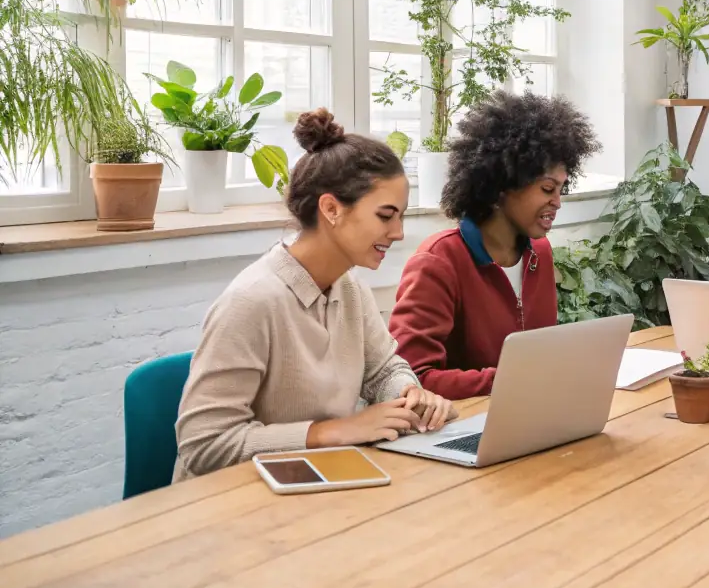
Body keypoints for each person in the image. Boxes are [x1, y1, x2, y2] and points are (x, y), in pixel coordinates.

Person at [175, 110, 454, 481]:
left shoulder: (349, 286)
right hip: (231, 501)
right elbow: (202, 444)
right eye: (385, 216)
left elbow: (384, 369)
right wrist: (328, 433)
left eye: (400, 216)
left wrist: (408, 394)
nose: (398, 232)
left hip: (314, 483)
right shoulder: (252, 301)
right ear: (331, 209)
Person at [388, 92, 600, 399]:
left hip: (528, 412)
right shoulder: (438, 261)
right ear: (500, 187)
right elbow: (411, 381)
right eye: (547, 188)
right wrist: (509, 380)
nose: (557, 202)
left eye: (561, 190)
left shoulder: (539, 253)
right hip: (461, 422)